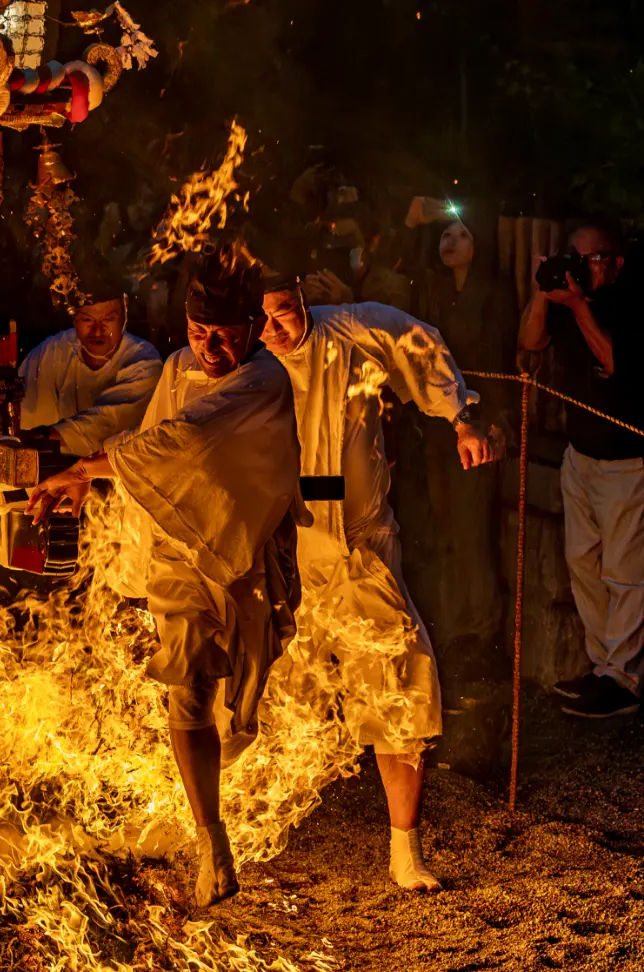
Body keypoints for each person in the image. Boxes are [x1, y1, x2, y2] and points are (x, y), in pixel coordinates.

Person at [26, 248, 302, 907]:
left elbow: (182, 441)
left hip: (243, 554)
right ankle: (212, 839)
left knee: (239, 695)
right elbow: (151, 449)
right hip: (178, 556)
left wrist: (84, 469)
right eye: (201, 332)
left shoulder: (263, 381)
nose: (212, 347)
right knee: (187, 689)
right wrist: (98, 486)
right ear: (186, 323)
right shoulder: (177, 368)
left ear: (253, 332)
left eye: (227, 335)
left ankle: (217, 779)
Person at [259, 272, 496, 892]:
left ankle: (404, 851)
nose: (273, 330)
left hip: (361, 550)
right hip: (281, 554)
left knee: (401, 687)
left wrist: (459, 416)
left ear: (302, 302)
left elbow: (420, 342)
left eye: (283, 313)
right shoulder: (245, 360)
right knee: (270, 695)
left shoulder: (352, 329)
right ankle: (238, 832)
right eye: (262, 319)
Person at [518, 219, 644, 718]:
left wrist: (577, 308)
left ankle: (626, 678)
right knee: (583, 565)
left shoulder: (630, 304)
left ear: (614, 262)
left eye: (588, 258)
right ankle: (601, 669)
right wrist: (544, 295)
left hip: (625, 462)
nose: (578, 267)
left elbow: (615, 362)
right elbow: (530, 343)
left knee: (625, 574)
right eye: (572, 255)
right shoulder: (566, 302)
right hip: (580, 456)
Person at [396, 209, 516, 669]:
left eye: (463, 234)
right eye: (446, 233)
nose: (452, 240)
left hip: (479, 421)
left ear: (478, 244)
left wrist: (498, 419)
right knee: (443, 526)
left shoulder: (494, 294)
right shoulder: (431, 291)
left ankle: (482, 633)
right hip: (436, 426)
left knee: (472, 528)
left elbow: (502, 358)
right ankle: (451, 627)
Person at [18, 261, 163, 456]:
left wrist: (40, 438)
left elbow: (106, 423)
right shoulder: (50, 353)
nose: (97, 331)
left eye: (108, 320)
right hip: (54, 475)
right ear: (74, 318)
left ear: (124, 315)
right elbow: (23, 409)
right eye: (87, 320)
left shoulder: (144, 361)